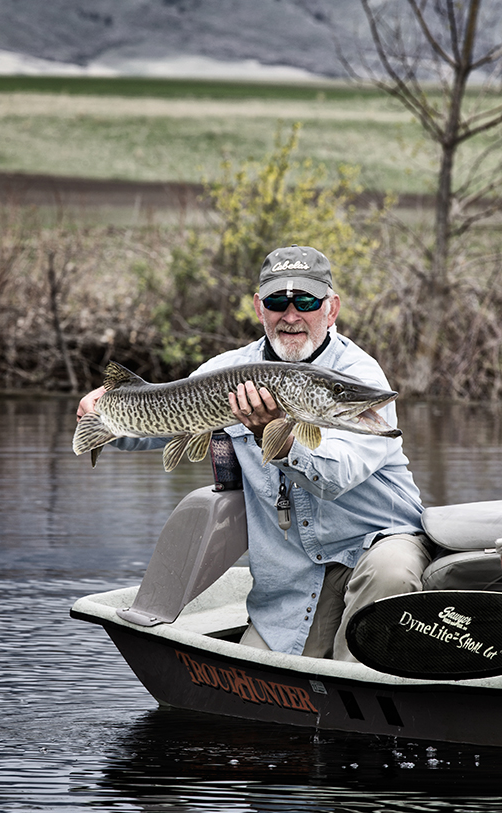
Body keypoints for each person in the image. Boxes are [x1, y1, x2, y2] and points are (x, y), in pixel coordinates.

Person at [77, 245, 430, 662]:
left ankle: (363, 690)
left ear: (331, 309)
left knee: (390, 574)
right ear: (261, 309)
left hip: (374, 549)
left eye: (307, 301)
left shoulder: (358, 378)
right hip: (294, 580)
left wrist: (270, 433)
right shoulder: (228, 371)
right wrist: (103, 415)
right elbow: (162, 419)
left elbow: (335, 476)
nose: (292, 315)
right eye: (279, 302)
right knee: (265, 673)